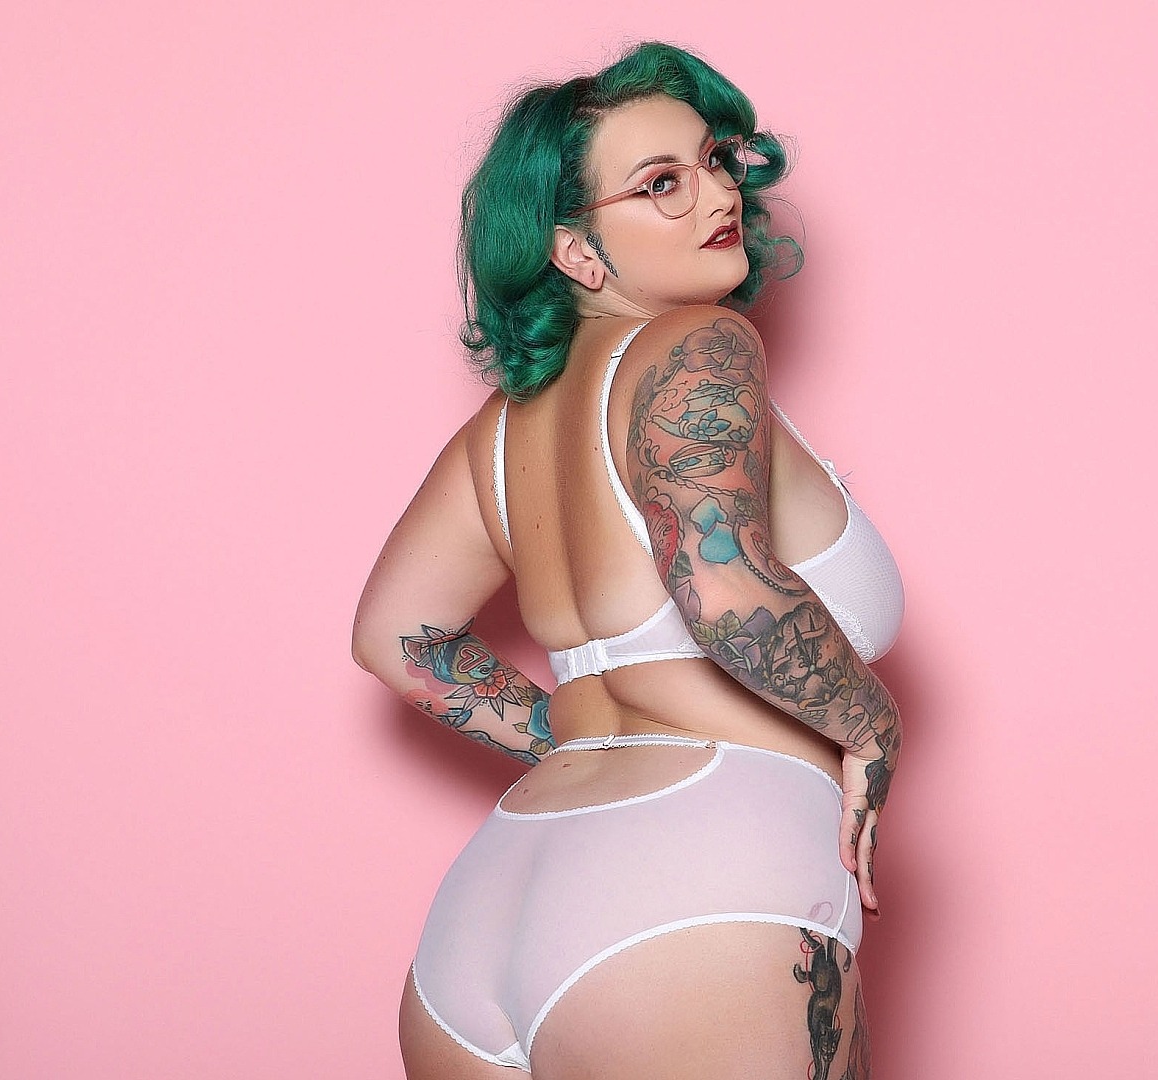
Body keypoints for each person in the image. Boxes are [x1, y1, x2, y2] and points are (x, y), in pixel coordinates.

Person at [351, 41, 906, 1079]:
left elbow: (396, 638)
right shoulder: (699, 344)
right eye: (660, 183)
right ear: (576, 251)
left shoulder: (499, 434)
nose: (717, 194)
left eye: (714, 161)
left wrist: (578, 738)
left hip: (493, 904)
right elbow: (720, 584)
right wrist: (870, 723)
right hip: (696, 888)